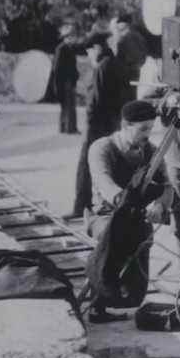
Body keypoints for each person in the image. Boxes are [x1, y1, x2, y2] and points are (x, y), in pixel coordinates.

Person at [85, 100, 172, 322]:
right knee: (116, 232)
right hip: (103, 216)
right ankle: (103, 294)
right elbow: (105, 184)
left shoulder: (151, 152)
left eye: (150, 128)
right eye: (143, 129)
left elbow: (167, 185)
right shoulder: (101, 148)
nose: (147, 134)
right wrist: (126, 205)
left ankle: (125, 296)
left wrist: (160, 203)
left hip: (137, 219)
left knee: (135, 293)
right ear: (125, 125)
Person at [69, 31, 132, 218]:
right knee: (110, 164)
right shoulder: (118, 64)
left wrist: (89, 125)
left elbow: (95, 102)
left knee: (86, 165)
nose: (89, 57)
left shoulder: (102, 67)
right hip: (114, 122)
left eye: (89, 52)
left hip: (97, 125)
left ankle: (81, 205)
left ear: (96, 48)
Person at [50, 22, 85, 134]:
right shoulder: (62, 48)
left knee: (68, 106)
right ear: (67, 37)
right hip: (65, 81)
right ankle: (69, 128)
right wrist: (58, 84)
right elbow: (57, 69)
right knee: (68, 106)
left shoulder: (69, 48)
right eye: (72, 36)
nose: (74, 38)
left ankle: (65, 127)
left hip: (69, 80)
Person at [109, 12, 149, 84]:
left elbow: (118, 60)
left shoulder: (123, 40)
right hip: (141, 71)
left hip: (129, 75)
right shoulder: (138, 35)